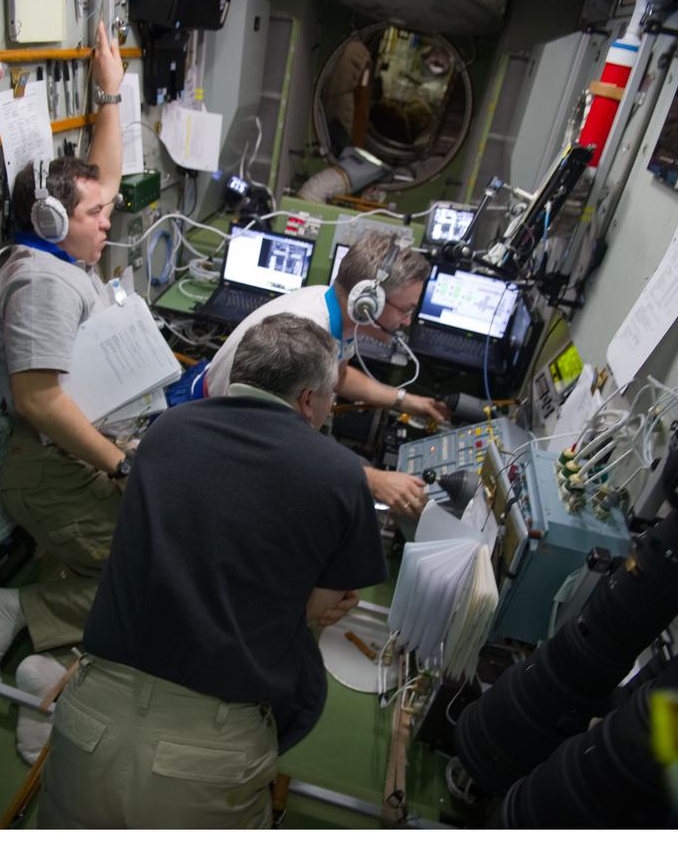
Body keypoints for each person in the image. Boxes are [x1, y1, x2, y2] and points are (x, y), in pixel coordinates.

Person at [38, 314, 388, 828]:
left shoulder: (166, 433)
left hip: (86, 717)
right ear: (309, 400)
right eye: (333, 397)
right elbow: (320, 607)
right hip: (209, 754)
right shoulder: (339, 475)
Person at [0, 21, 127, 693]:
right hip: (50, 470)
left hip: (72, 459)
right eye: (96, 213)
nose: (109, 218)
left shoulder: (62, 254)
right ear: (55, 224)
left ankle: (55, 609)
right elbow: (38, 400)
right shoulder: (40, 281)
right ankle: (16, 606)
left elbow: (108, 178)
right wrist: (121, 465)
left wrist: (111, 95)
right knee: (149, 565)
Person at [205, 229, 452, 516]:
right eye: (405, 310)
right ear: (369, 300)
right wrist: (374, 480)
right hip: (238, 452)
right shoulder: (303, 339)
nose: (408, 321)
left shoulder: (333, 307)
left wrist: (406, 400)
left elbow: (340, 377)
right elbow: (274, 445)